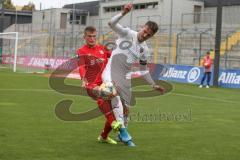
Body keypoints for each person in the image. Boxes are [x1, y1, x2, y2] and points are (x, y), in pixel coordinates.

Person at [102, 3, 165, 146]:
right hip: (110, 73)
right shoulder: (127, 33)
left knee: (125, 109)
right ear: (142, 27)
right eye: (145, 31)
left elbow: (143, 70)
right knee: (115, 97)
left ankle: (115, 134)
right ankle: (125, 134)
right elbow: (111, 23)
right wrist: (123, 12)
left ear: (152, 36)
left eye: (149, 35)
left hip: (124, 78)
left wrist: (153, 84)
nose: (145, 35)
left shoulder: (144, 50)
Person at [76, 26, 121, 144]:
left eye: (94, 36)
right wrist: (83, 79)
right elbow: (81, 67)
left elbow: (114, 57)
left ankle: (104, 136)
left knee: (116, 109)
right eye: (89, 36)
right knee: (102, 95)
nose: (92, 39)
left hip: (105, 82)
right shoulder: (81, 51)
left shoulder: (102, 49)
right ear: (84, 37)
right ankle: (113, 122)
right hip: (91, 84)